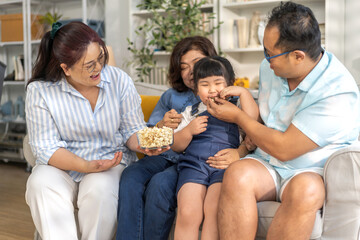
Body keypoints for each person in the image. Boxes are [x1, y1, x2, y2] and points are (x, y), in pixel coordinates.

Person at [206, 2, 360, 240]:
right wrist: (243, 100)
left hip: (310, 169)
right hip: (268, 161)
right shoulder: (272, 68)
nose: (266, 60)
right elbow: (265, 123)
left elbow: (285, 148)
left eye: (270, 54)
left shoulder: (337, 92)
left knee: (306, 190)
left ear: (298, 56)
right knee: (238, 174)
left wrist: (237, 117)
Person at [25, 21, 167, 240]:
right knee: (40, 183)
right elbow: (45, 148)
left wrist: (144, 143)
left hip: (109, 161)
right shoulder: (40, 91)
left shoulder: (119, 81)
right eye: (89, 65)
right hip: (64, 165)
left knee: (99, 189)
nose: (99, 68)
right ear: (66, 68)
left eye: (100, 58)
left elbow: (132, 129)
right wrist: (85, 165)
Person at [116, 36, 238, 240]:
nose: (190, 71)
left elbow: (246, 125)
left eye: (197, 63)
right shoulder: (171, 96)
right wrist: (162, 125)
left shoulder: (224, 96)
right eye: (183, 67)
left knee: (161, 184)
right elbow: (147, 139)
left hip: (191, 160)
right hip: (164, 154)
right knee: (130, 175)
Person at [171, 56, 259, 240]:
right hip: (193, 167)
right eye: (205, 85)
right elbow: (177, 146)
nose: (212, 90)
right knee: (188, 211)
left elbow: (252, 121)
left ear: (229, 85)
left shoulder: (236, 109)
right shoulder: (191, 112)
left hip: (223, 169)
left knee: (213, 210)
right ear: (195, 89)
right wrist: (188, 131)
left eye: (218, 83)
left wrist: (243, 93)